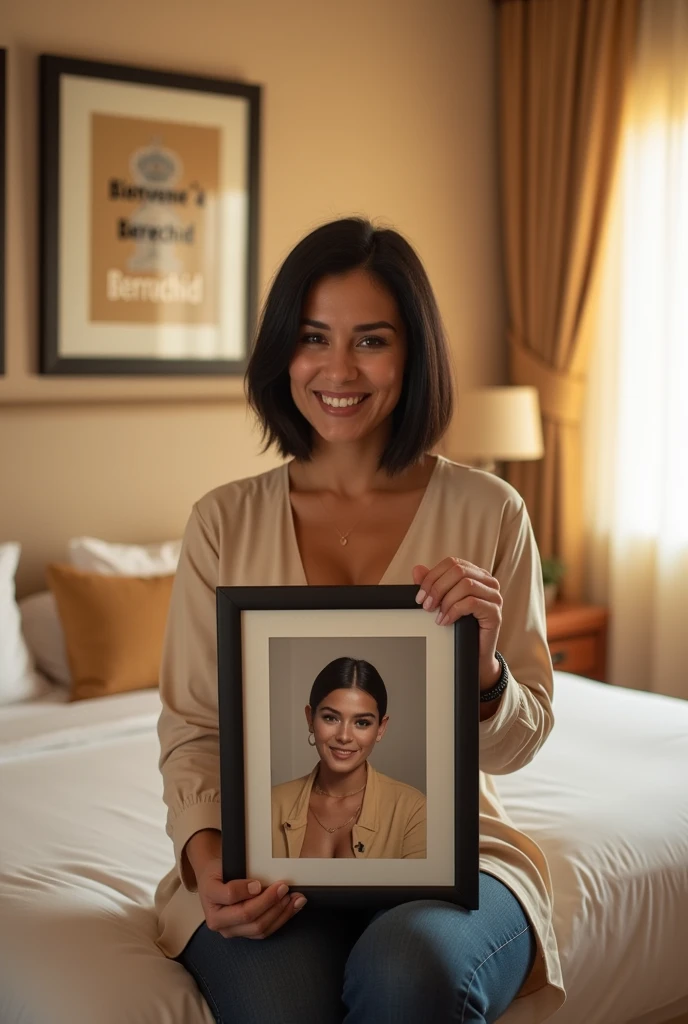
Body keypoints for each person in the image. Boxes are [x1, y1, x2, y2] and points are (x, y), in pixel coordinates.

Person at [154, 217, 565, 1024]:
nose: (338, 369)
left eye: (370, 340)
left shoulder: (491, 511)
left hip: (458, 859)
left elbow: (519, 744)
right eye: (313, 337)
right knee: (284, 1006)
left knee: (408, 968)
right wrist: (209, 864)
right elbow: (196, 732)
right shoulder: (222, 524)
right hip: (258, 863)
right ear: (283, 350)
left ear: (413, 354)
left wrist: (483, 675)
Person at [271, 656, 427, 859]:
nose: (344, 736)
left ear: (381, 728)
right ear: (310, 718)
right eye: (330, 718)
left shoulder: (413, 810)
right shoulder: (271, 804)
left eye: (362, 723)